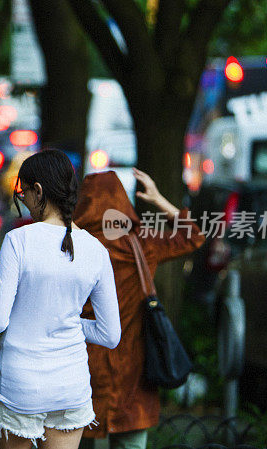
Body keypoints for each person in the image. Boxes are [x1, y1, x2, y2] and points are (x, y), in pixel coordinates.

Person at [0, 150, 121, 449]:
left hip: (20, 385)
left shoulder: (18, 241)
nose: (22, 201)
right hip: (70, 386)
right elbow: (111, 335)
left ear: (39, 191)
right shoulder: (96, 250)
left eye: (23, 193)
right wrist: (71, 322)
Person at [73, 169, 205, 449]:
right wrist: (158, 199)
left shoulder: (70, 245)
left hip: (81, 373)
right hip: (132, 377)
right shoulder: (142, 243)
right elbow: (194, 236)